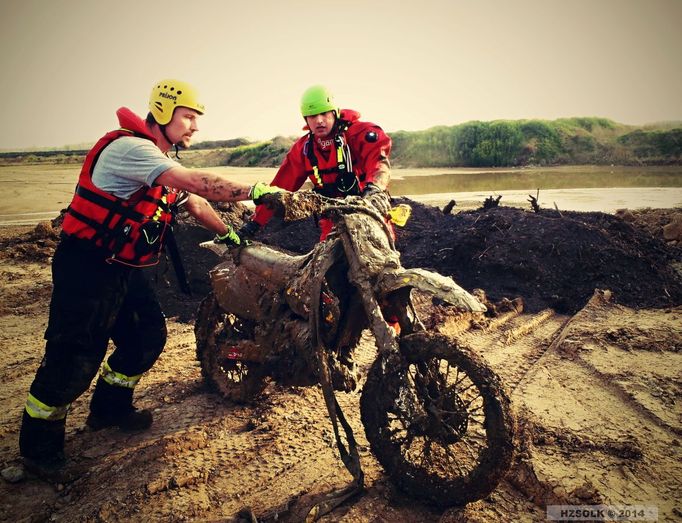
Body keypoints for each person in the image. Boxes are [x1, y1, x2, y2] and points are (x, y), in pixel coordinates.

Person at [19, 78, 281, 481]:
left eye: (197, 119)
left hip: (125, 268)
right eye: (188, 117)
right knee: (73, 355)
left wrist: (227, 234)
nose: (194, 127)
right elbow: (196, 182)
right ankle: (39, 449)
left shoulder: (156, 160)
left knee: (145, 337)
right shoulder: (132, 149)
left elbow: (192, 200)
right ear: (162, 112)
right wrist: (256, 191)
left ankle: (109, 408)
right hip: (88, 265)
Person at [239, 84, 393, 241]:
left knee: (379, 251)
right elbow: (279, 187)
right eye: (313, 116)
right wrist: (254, 224)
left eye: (324, 114)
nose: (319, 121)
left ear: (334, 113)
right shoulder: (303, 149)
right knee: (328, 256)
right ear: (306, 119)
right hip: (332, 217)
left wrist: (375, 189)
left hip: (367, 209)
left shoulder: (359, 133)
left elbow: (379, 163)